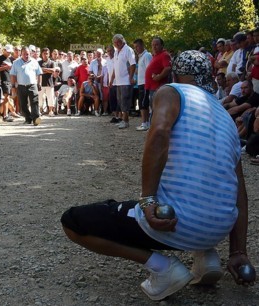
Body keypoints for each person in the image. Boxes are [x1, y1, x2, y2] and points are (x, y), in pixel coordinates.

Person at [61, 50, 255, 301]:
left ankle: (164, 269)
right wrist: (238, 250)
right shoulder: (225, 117)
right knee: (201, 186)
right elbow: (240, 191)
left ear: (176, 74)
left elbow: (160, 131)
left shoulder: (172, 91)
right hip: (217, 229)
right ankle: (206, 257)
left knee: (73, 222)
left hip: (176, 223)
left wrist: (149, 199)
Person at [10, 46, 42, 126]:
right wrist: (13, 86)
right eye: (24, 54)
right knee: (22, 104)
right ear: (21, 54)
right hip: (21, 86)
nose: (26, 56)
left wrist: (39, 83)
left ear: (30, 53)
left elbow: (39, 73)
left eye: (27, 54)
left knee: (34, 102)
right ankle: (28, 118)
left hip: (32, 85)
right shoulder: (16, 63)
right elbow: (13, 75)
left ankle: (35, 119)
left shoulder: (34, 62)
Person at [109, 34, 136, 129]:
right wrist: (112, 79)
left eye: (118, 42)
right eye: (115, 43)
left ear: (122, 41)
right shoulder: (116, 52)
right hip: (118, 81)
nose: (117, 44)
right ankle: (123, 120)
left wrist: (131, 77)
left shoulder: (128, 50)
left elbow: (133, 64)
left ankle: (126, 121)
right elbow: (115, 67)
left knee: (125, 101)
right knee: (120, 102)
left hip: (126, 80)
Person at [133, 38, 152, 131]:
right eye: (135, 47)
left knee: (143, 104)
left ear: (142, 45)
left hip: (145, 83)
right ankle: (146, 122)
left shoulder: (147, 55)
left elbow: (149, 70)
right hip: (140, 83)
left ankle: (145, 123)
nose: (136, 49)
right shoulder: (140, 56)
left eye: (137, 46)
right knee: (142, 104)